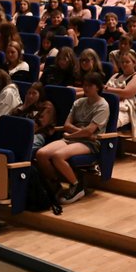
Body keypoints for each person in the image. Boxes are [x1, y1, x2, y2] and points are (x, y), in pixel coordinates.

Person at [35, 72, 110, 206]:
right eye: (84, 85)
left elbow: (90, 132)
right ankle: (56, 184)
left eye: (90, 85)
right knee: (41, 154)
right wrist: (78, 133)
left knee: (58, 156)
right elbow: (67, 125)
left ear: (98, 87)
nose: (86, 88)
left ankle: (76, 186)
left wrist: (73, 134)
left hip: (91, 143)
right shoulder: (78, 102)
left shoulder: (103, 106)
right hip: (75, 138)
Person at [104, 51, 136, 142]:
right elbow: (104, 91)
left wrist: (109, 89)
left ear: (134, 63)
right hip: (108, 105)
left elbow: (126, 93)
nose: (124, 64)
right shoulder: (116, 75)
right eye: (122, 62)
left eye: (127, 62)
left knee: (105, 122)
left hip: (126, 110)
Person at [10, 82, 56, 151]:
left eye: (34, 93)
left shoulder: (47, 106)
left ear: (40, 94)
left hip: (37, 135)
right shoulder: (25, 106)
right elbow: (11, 119)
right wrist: (24, 107)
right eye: (29, 93)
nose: (30, 96)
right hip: (21, 133)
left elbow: (39, 125)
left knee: (20, 148)